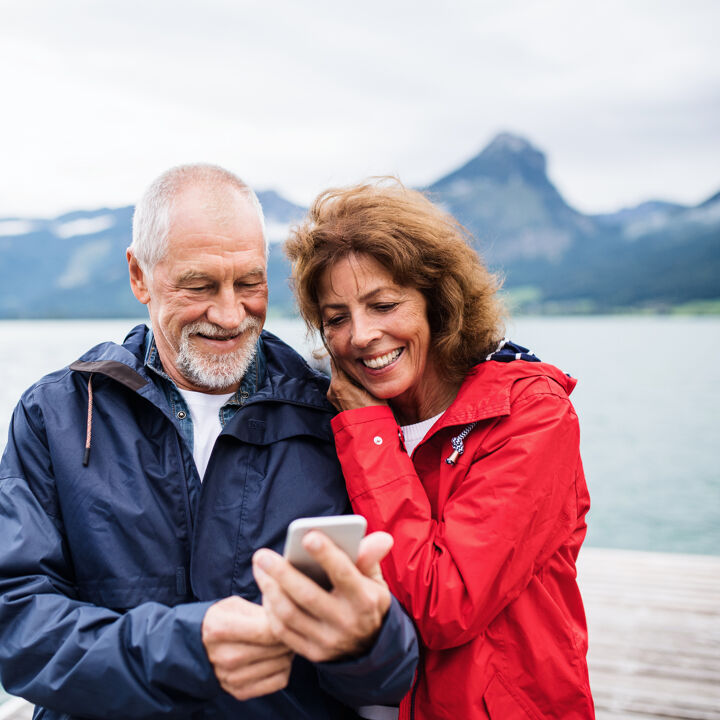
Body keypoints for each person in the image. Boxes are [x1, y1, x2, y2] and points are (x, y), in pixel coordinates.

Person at [0, 165, 418, 720]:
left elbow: (394, 669)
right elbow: (15, 623)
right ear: (139, 276)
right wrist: (181, 649)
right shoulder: (55, 415)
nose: (229, 314)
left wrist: (368, 638)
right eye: (198, 286)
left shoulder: (335, 417)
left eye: (250, 283)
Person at [282, 179, 595, 719]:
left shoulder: (531, 415)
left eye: (383, 304)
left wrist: (367, 433)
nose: (360, 335)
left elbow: (443, 603)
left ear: (438, 299)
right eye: (336, 318)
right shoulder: (336, 414)